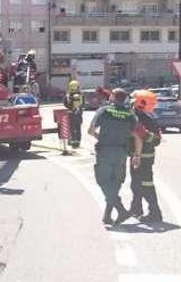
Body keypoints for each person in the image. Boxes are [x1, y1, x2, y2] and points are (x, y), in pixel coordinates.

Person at [88, 88, 136, 226]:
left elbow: (91, 131)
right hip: (122, 152)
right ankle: (107, 216)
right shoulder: (129, 114)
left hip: (105, 152)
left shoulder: (104, 111)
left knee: (103, 182)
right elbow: (136, 134)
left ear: (113, 97)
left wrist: (101, 137)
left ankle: (121, 210)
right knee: (115, 183)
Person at [129, 90, 163, 223]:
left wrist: (143, 134)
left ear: (140, 102)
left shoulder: (142, 118)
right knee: (136, 183)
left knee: (145, 184)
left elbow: (156, 140)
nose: (131, 102)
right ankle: (136, 208)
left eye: (134, 100)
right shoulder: (148, 116)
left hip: (142, 156)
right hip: (140, 154)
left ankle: (155, 212)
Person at [64, 79, 84, 148]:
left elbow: (65, 104)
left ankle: (71, 141)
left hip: (70, 114)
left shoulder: (67, 96)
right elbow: (83, 104)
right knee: (78, 128)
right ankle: (78, 142)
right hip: (78, 114)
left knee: (71, 128)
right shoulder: (81, 95)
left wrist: (70, 107)